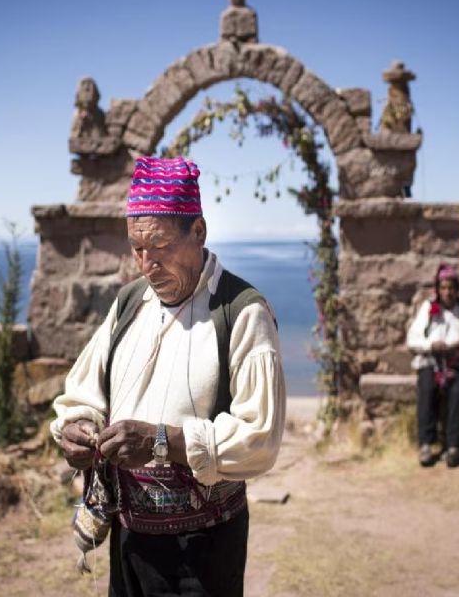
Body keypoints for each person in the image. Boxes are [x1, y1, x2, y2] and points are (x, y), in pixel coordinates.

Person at [51, 155, 286, 596]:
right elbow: (84, 390)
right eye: (137, 249)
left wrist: (163, 441)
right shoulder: (129, 302)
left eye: (159, 247)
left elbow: (261, 439)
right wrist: (76, 428)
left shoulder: (242, 312)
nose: (146, 264)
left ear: (197, 232)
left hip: (201, 550)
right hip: (129, 538)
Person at [406, 263, 459, 468]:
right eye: (443, 288)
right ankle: (426, 444)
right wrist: (430, 344)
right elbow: (412, 338)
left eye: (451, 288)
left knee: (457, 392)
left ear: (457, 289)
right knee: (427, 389)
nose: (447, 292)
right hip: (430, 359)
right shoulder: (428, 308)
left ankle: (453, 446)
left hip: (455, 360)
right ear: (438, 288)